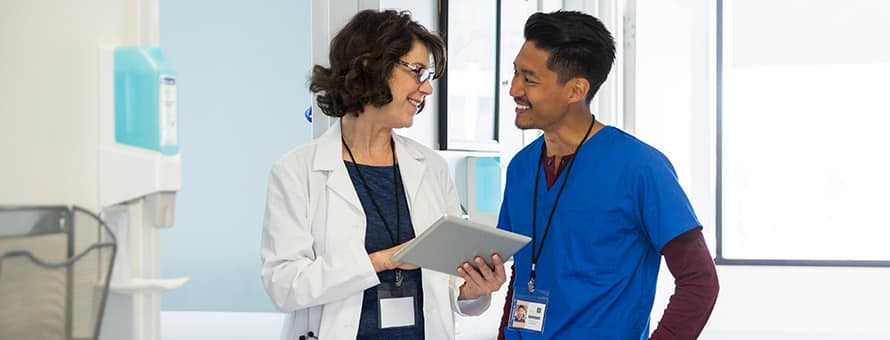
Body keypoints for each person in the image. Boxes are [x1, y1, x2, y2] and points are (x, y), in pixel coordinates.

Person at [260, 9, 506, 340]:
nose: (427, 89)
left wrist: (475, 290)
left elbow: (448, 288)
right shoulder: (297, 171)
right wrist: (381, 260)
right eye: (417, 71)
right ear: (369, 66)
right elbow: (285, 286)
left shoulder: (430, 168)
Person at [494, 11, 719, 340]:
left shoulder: (640, 167)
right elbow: (524, 272)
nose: (514, 89)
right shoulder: (521, 167)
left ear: (576, 90)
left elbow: (699, 280)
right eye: (515, 73)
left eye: (529, 79)